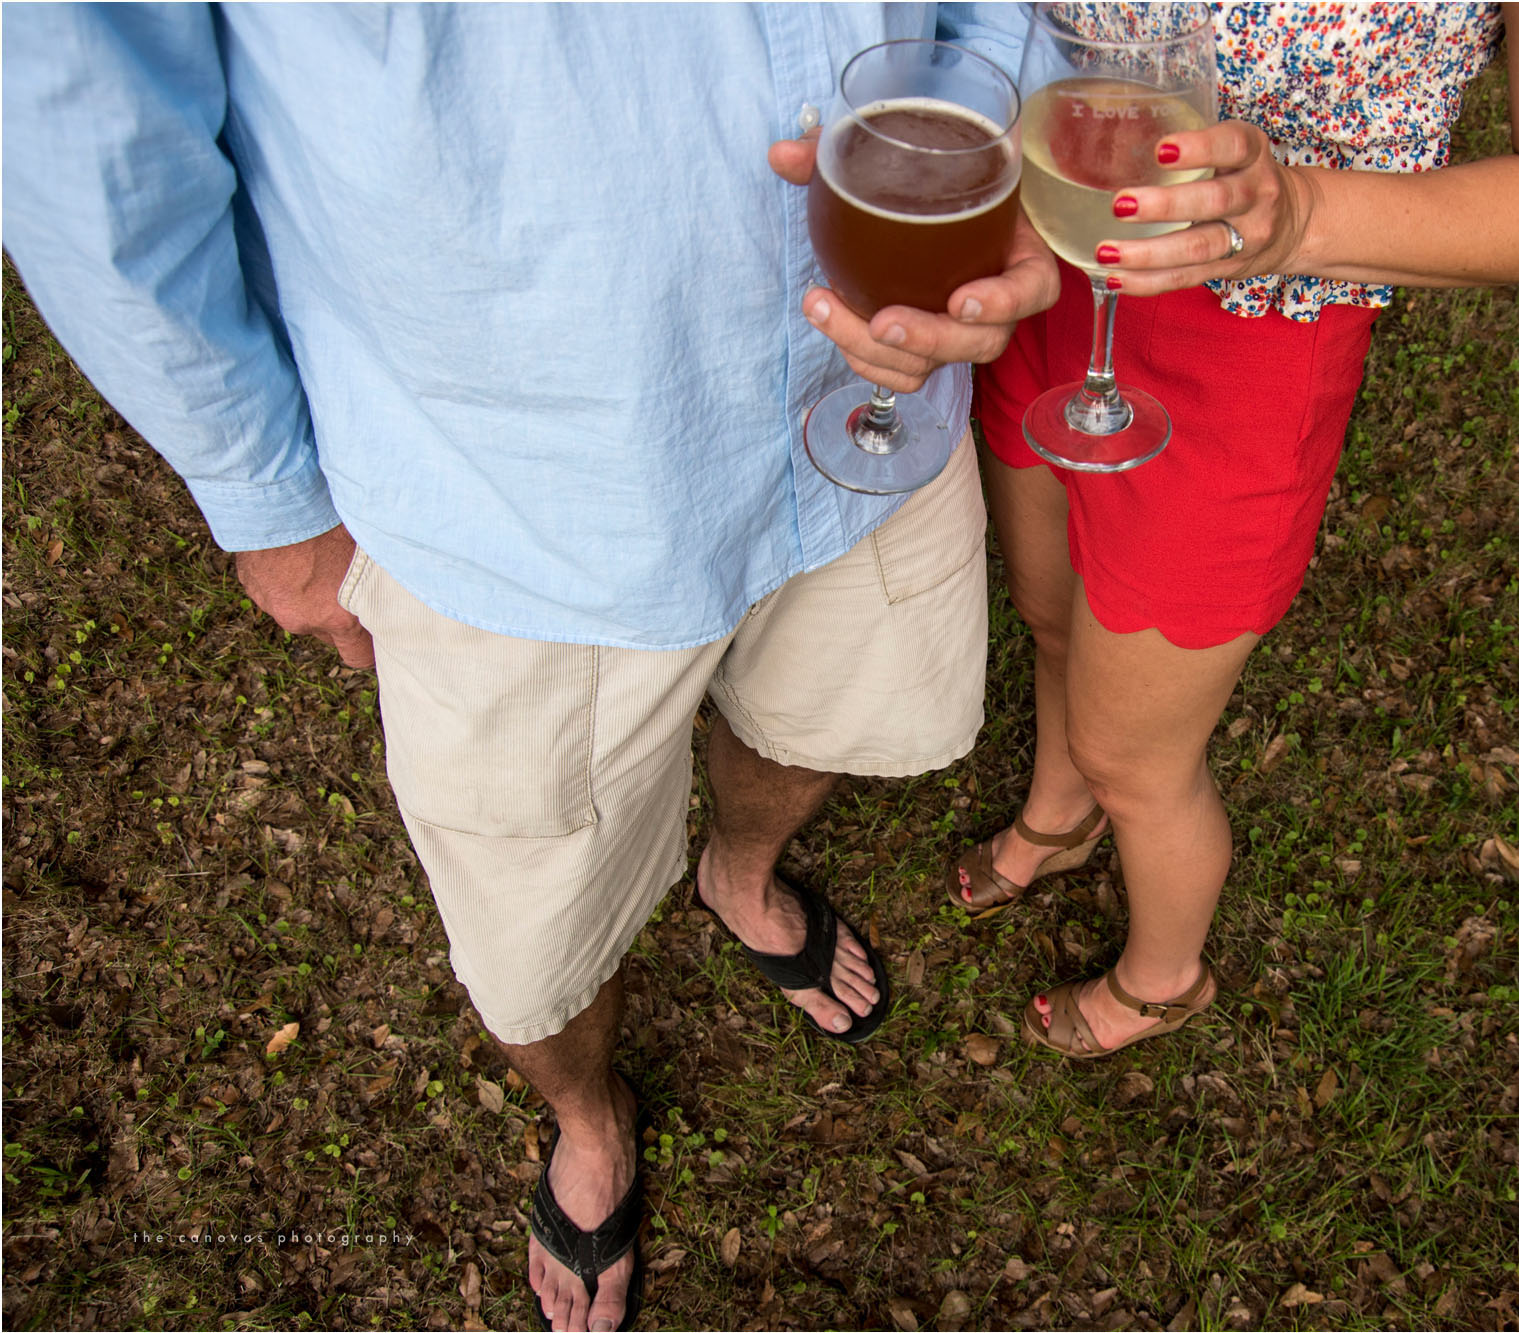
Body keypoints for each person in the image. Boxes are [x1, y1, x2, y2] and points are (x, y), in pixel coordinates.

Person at [2, 4, 1045, 1329]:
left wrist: (1000, 131)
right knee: (533, 927)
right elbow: (89, 130)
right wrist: (266, 497)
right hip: (520, 482)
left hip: (871, 408)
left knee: (826, 714)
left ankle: (737, 871)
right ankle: (589, 1113)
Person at [939, 2, 1519, 1057]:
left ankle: (1163, 976)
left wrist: (1292, 215)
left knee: (1137, 756)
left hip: (1251, 331)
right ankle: (1061, 809)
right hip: (1055, 239)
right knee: (1048, 605)